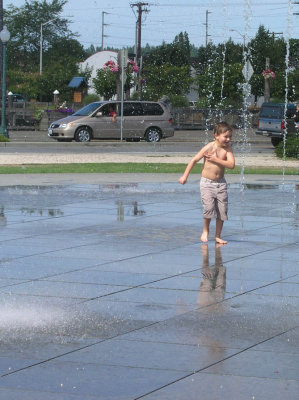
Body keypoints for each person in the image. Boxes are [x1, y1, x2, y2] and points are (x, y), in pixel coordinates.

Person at [178, 122, 235, 244]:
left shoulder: (228, 149)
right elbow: (194, 160)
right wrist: (185, 176)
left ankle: (218, 236)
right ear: (216, 135)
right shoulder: (209, 147)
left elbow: (231, 165)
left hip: (221, 183)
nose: (228, 139)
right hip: (207, 183)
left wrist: (216, 159)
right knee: (209, 209)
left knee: (222, 210)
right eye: (226, 136)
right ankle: (205, 231)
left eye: (230, 137)